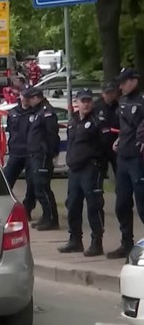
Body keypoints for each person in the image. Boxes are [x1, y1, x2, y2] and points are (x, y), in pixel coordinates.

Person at [58, 89, 106, 256]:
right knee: (72, 205)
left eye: (88, 101)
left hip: (90, 169)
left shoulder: (97, 121)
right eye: (82, 101)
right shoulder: (73, 121)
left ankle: (96, 242)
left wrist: (99, 165)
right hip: (75, 170)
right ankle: (75, 240)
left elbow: (104, 146)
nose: (86, 104)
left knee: (94, 205)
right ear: (76, 103)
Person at [113, 68, 144, 258]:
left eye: (124, 82)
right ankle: (126, 242)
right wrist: (118, 140)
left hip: (137, 158)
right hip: (123, 157)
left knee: (142, 203)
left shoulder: (142, 101)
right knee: (121, 203)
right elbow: (124, 127)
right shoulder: (122, 101)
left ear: (134, 81)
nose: (121, 86)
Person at [23, 87, 60, 231]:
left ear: (36, 97)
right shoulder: (38, 111)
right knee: (37, 187)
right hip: (35, 154)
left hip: (42, 155)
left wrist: (48, 152)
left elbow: (52, 134)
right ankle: (46, 216)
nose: (28, 101)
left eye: (30, 98)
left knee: (42, 187)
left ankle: (51, 219)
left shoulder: (47, 112)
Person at [2, 88, 34, 219]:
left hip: (30, 153)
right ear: (20, 96)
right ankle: (6, 207)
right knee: (6, 181)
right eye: (24, 96)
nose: (25, 99)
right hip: (16, 152)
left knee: (32, 183)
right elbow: (10, 130)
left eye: (28, 97)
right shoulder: (13, 112)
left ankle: (28, 209)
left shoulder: (35, 112)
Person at [94, 82, 119, 179]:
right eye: (107, 93)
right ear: (103, 93)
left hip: (116, 145)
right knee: (99, 174)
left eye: (112, 92)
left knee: (119, 173)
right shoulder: (97, 106)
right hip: (101, 146)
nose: (110, 95)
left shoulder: (119, 106)